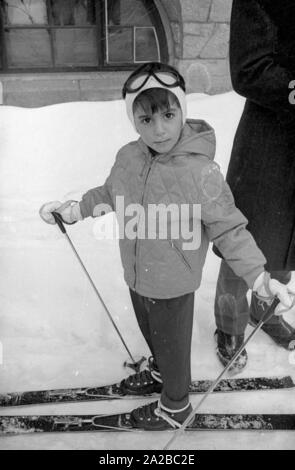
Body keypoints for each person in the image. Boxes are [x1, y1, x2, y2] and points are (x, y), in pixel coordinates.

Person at [40, 62, 294, 430]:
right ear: (133, 121)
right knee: (155, 339)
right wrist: (76, 209)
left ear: (182, 112)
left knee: (173, 347)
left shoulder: (201, 173)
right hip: (136, 277)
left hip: (174, 287)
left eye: (168, 115)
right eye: (145, 120)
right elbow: (109, 193)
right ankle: (161, 372)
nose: (158, 129)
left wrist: (258, 277)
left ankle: (175, 406)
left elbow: (230, 228)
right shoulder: (128, 158)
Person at [213, 0, 295, 373]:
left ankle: (267, 306)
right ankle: (229, 324)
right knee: (248, 234)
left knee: (288, 235)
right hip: (269, 140)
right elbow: (247, 69)